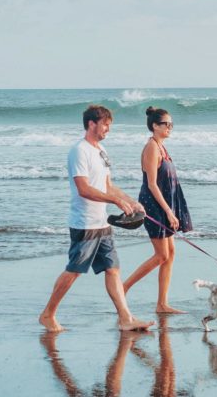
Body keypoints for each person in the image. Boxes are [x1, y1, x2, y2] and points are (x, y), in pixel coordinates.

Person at [39, 105, 154, 332]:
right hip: (85, 223)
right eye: (105, 124)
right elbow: (83, 188)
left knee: (113, 269)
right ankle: (48, 314)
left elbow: (108, 186)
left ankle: (125, 319)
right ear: (92, 124)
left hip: (102, 222)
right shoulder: (79, 151)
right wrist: (115, 202)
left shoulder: (101, 151)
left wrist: (130, 201)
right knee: (74, 270)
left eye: (109, 125)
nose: (108, 129)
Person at [123, 106, 193, 314]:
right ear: (154, 126)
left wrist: (172, 209)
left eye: (172, 124)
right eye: (166, 124)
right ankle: (122, 288)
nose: (170, 127)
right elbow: (152, 184)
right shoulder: (152, 147)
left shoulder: (161, 147)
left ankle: (162, 304)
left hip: (164, 204)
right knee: (161, 255)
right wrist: (169, 212)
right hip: (154, 205)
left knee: (170, 253)